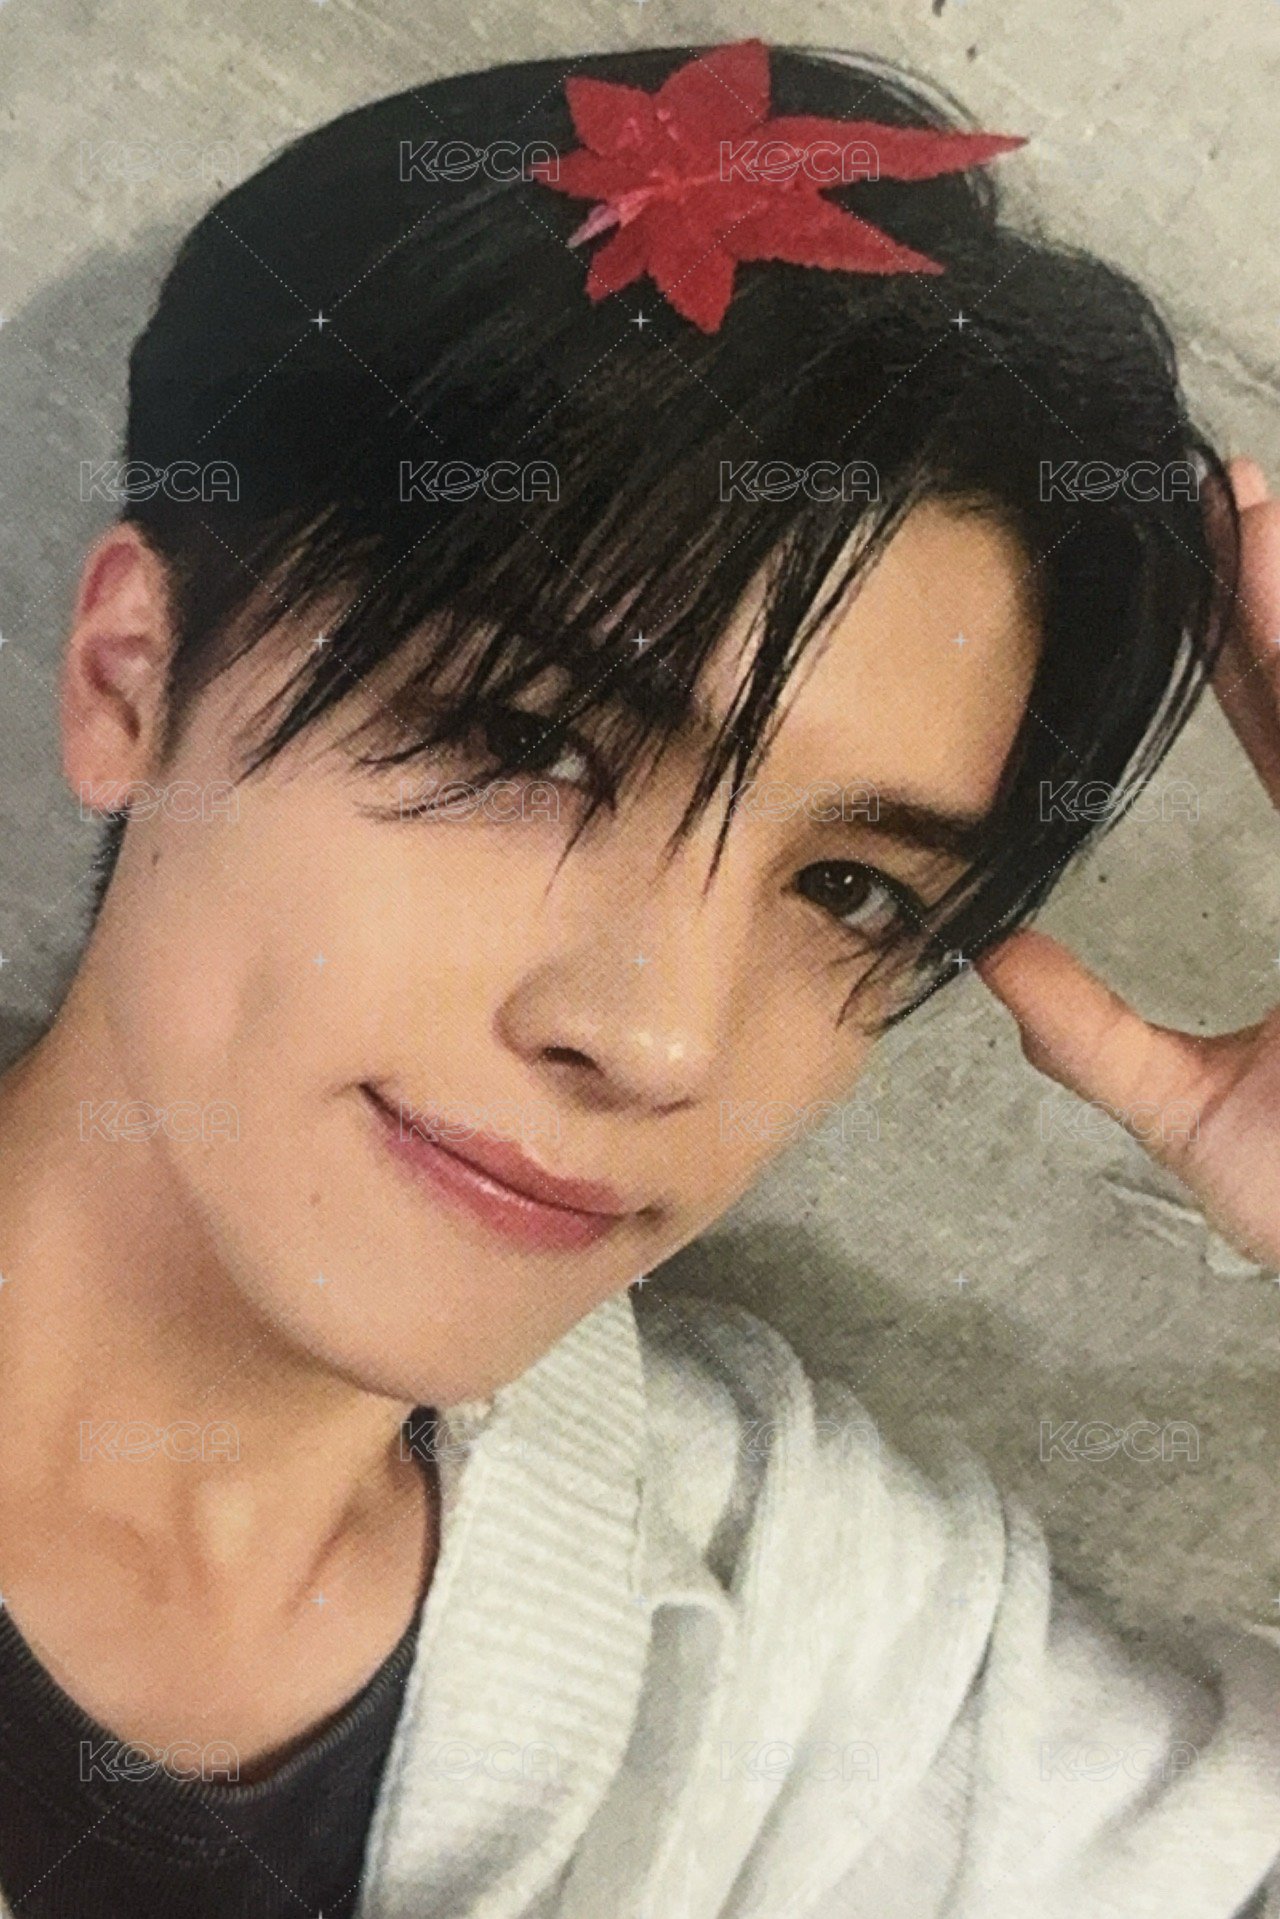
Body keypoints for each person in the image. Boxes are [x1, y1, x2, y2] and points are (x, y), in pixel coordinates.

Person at [0, 33, 1276, 1918]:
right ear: (132, 677)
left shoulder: (801, 1630)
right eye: (525, 742)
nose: (663, 1033)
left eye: (847, 888)